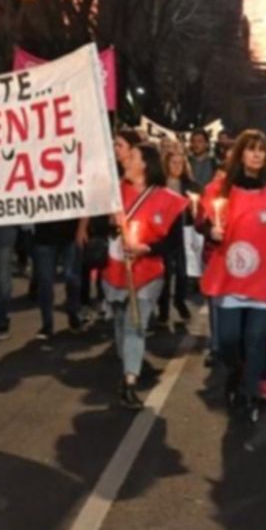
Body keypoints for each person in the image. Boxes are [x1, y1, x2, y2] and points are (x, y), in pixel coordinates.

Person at [199, 130, 266, 423]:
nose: (257, 154)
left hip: (265, 280)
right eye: (251, 149)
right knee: (229, 340)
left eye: (262, 149)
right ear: (240, 154)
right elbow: (202, 221)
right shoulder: (221, 191)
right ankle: (237, 372)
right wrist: (211, 231)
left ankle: (249, 393)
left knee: (257, 338)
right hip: (230, 280)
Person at [104, 142, 187, 410]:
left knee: (135, 326)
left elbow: (174, 244)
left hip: (148, 273)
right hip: (116, 268)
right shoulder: (113, 194)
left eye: (132, 156)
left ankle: (130, 382)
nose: (125, 159)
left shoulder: (168, 200)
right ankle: (126, 364)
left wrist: (147, 248)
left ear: (145, 164)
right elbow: (96, 227)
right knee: (120, 322)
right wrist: (107, 222)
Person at [159, 150, 200, 328]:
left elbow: (198, 209)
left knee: (183, 272)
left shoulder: (190, 185)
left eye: (180, 163)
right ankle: (163, 310)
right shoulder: (160, 185)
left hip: (184, 231)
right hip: (165, 232)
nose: (176, 166)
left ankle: (180, 301)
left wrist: (193, 206)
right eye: (173, 162)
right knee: (166, 273)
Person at [31, 217, 87, 341]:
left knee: (72, 279)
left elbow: (84, 202)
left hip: (71, 235)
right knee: (45, 282)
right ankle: (47, 325)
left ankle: (73, 313)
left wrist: (82, 229)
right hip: (43, 237)